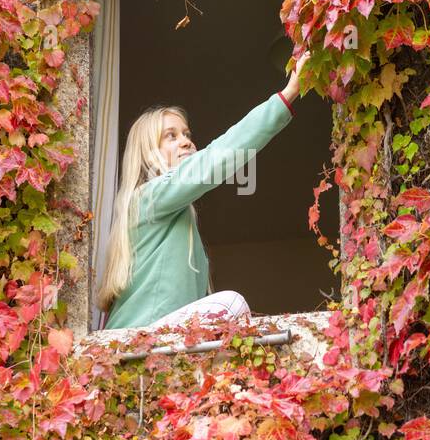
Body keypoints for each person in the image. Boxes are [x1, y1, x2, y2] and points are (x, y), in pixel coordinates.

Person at [96, 50, 310, 331]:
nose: (185, 142)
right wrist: (289, 93)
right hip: (137, 340)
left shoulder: (172, 213)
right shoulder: (148, 198)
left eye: (187, 134)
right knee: (231, 305)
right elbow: (218, 157)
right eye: (170, 136)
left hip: (149, 350)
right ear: (148, 154)